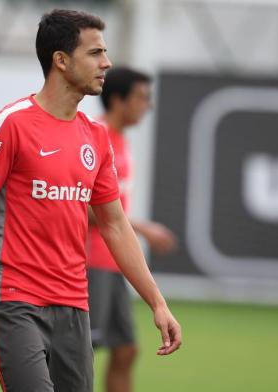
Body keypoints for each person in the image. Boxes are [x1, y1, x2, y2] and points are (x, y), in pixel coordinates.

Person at [0, 9, 181, 392]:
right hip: (13, 302)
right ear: (61, 61)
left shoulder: (95, 139)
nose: (107, 63)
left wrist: (157, 302)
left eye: (106, 52)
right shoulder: (12, 124)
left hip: (74, 305)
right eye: (95, 52)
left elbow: (115, 225)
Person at [86, 66, 177, 392]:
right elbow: (83, 206)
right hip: (91, 261)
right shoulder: (94, 137)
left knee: (126, 350)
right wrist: (140, 227)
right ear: (117, 100)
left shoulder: (120, 141)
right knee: (81, 353)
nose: (147, 105)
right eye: (141, 97)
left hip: (114, 263)